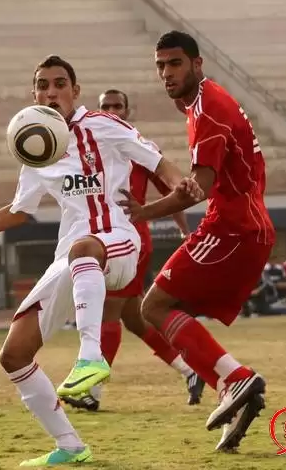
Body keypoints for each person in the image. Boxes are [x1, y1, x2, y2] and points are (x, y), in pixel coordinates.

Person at [0, 55, 201, 467]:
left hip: (118, 241)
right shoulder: (36, 144)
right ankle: (70, 445)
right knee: (14, 354)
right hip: (73, 257)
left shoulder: (105, 125)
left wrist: (183, 184)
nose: (50, 92)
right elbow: (18, 212)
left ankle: (90, 358)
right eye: (42, 85)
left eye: (59, 83)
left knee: (84, 248)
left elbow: (160, 164)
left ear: (75, 90)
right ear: (33, 93)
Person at [118, 31, 274, 452]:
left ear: (197, 64)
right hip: (245, 227)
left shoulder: (208, 110)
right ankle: (231, 389)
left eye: (175, 64)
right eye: (160, 65)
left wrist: (142, 212)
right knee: (170, 310)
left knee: (153, 306)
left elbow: (199, 188)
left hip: (231, 229)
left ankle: (234, 379)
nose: (166, 73)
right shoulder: (206, 101)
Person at [61, 89, 204, 413]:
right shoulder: (87, 146)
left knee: (109, 312)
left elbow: (172, 188)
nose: (112, 110)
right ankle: (191, 369)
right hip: (99, 236)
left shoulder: (135, 146)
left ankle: (91, 391)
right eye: (106, 106)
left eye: (118, 106)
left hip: (128, 240)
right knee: (134, 319)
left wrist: (183, 230)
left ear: (127, 110)